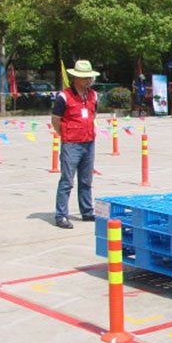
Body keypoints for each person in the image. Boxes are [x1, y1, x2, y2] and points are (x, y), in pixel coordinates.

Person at [51, 60, 100, 229]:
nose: (88, 80)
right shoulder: (64, 96)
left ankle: (87, 211)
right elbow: (56, 120)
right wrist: (65, 134)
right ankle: (61, 215)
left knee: (86, 180)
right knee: (67, 180)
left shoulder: (93, 95)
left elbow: (94, 114)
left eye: (89, 77)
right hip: (71, 143)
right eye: (84, 78)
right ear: (75, 78)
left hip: (89, 141)